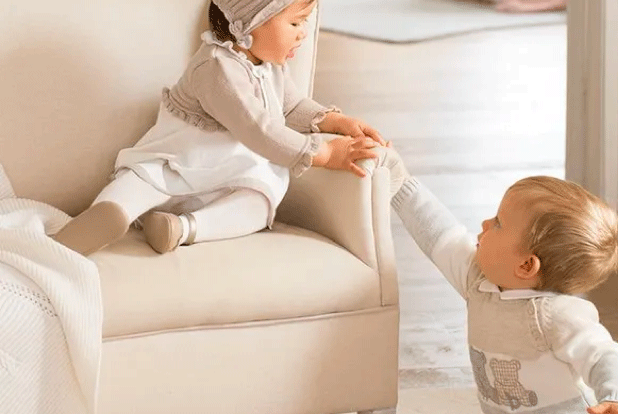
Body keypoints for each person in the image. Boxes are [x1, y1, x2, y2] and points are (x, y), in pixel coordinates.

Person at [54, 0, 386, 256]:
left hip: (222, 180)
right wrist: (323, 153)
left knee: (260, 200)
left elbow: (290, 107)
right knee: (139, 182)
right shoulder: (216, 69)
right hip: (174, 165)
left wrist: (333, 121)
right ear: (250, 24)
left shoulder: (269, 66)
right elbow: (259, 129)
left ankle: (181, 229)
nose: (304, 33)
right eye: (295, 23)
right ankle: (109, 214)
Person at [381, 150, 618, 414]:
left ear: (526, 266)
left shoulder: (558, 316)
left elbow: (604, 356)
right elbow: (441, 235)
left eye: (498, 224)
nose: (485, 223)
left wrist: (616, 397)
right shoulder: (477, 282)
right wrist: (400, 181)